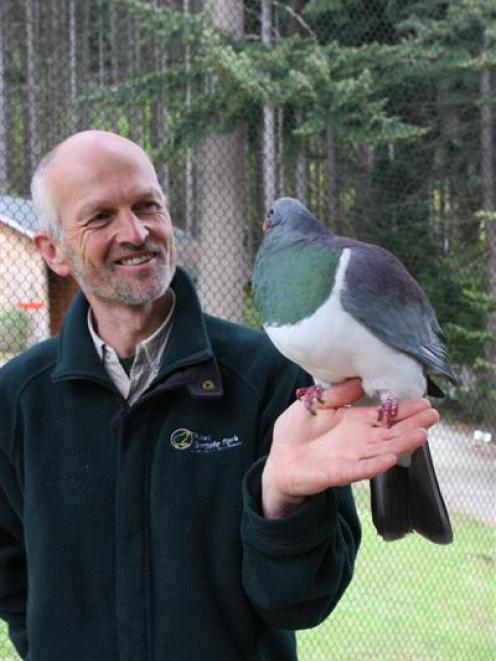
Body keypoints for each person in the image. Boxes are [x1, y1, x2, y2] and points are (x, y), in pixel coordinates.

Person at [0, 131, 439, 661]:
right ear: (52, 251)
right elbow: (11, 578)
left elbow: (302, 603)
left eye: (147, 206)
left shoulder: (279, 380)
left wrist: (282, 500)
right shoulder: (17, 399)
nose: (135, 232)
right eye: (101, 217)